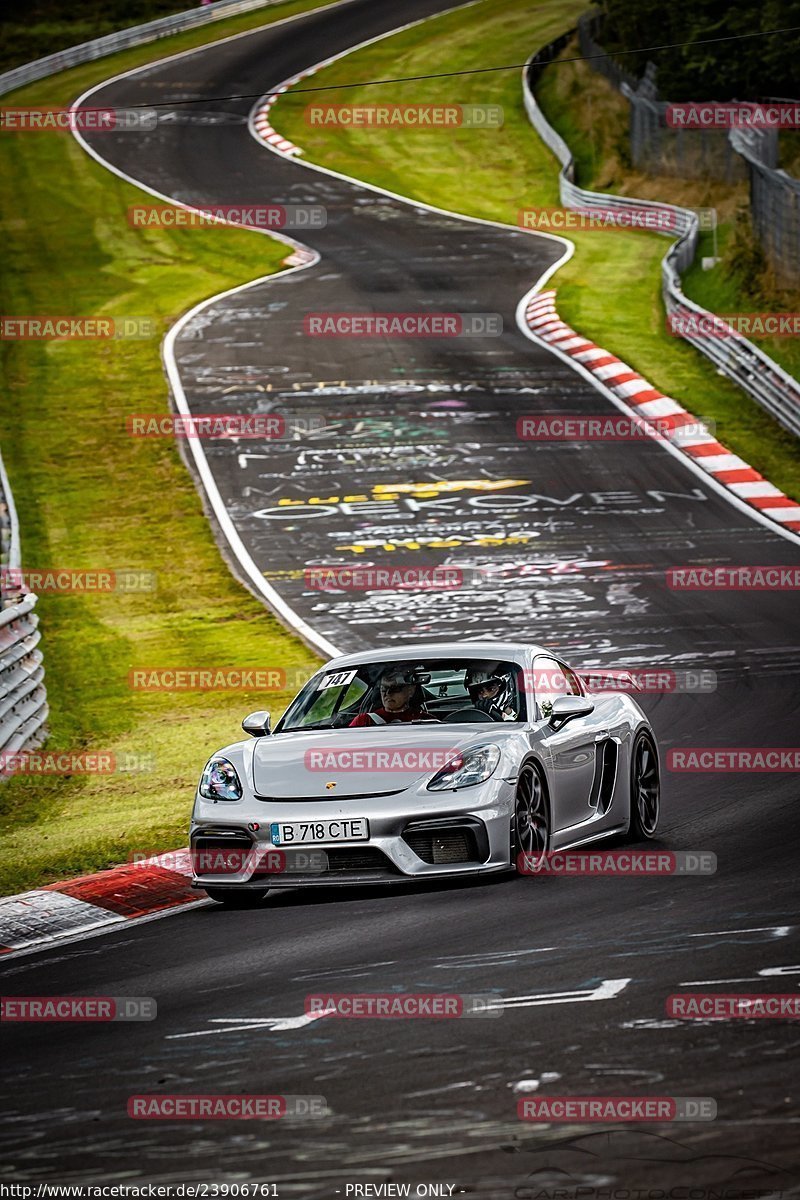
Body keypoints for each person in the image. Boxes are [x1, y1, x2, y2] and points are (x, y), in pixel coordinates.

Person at [349, 667, 425, 726]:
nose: (388, 693)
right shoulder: (364, 720)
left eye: (395, 688)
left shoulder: (426, 720)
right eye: (384, 688)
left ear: (411, 691)